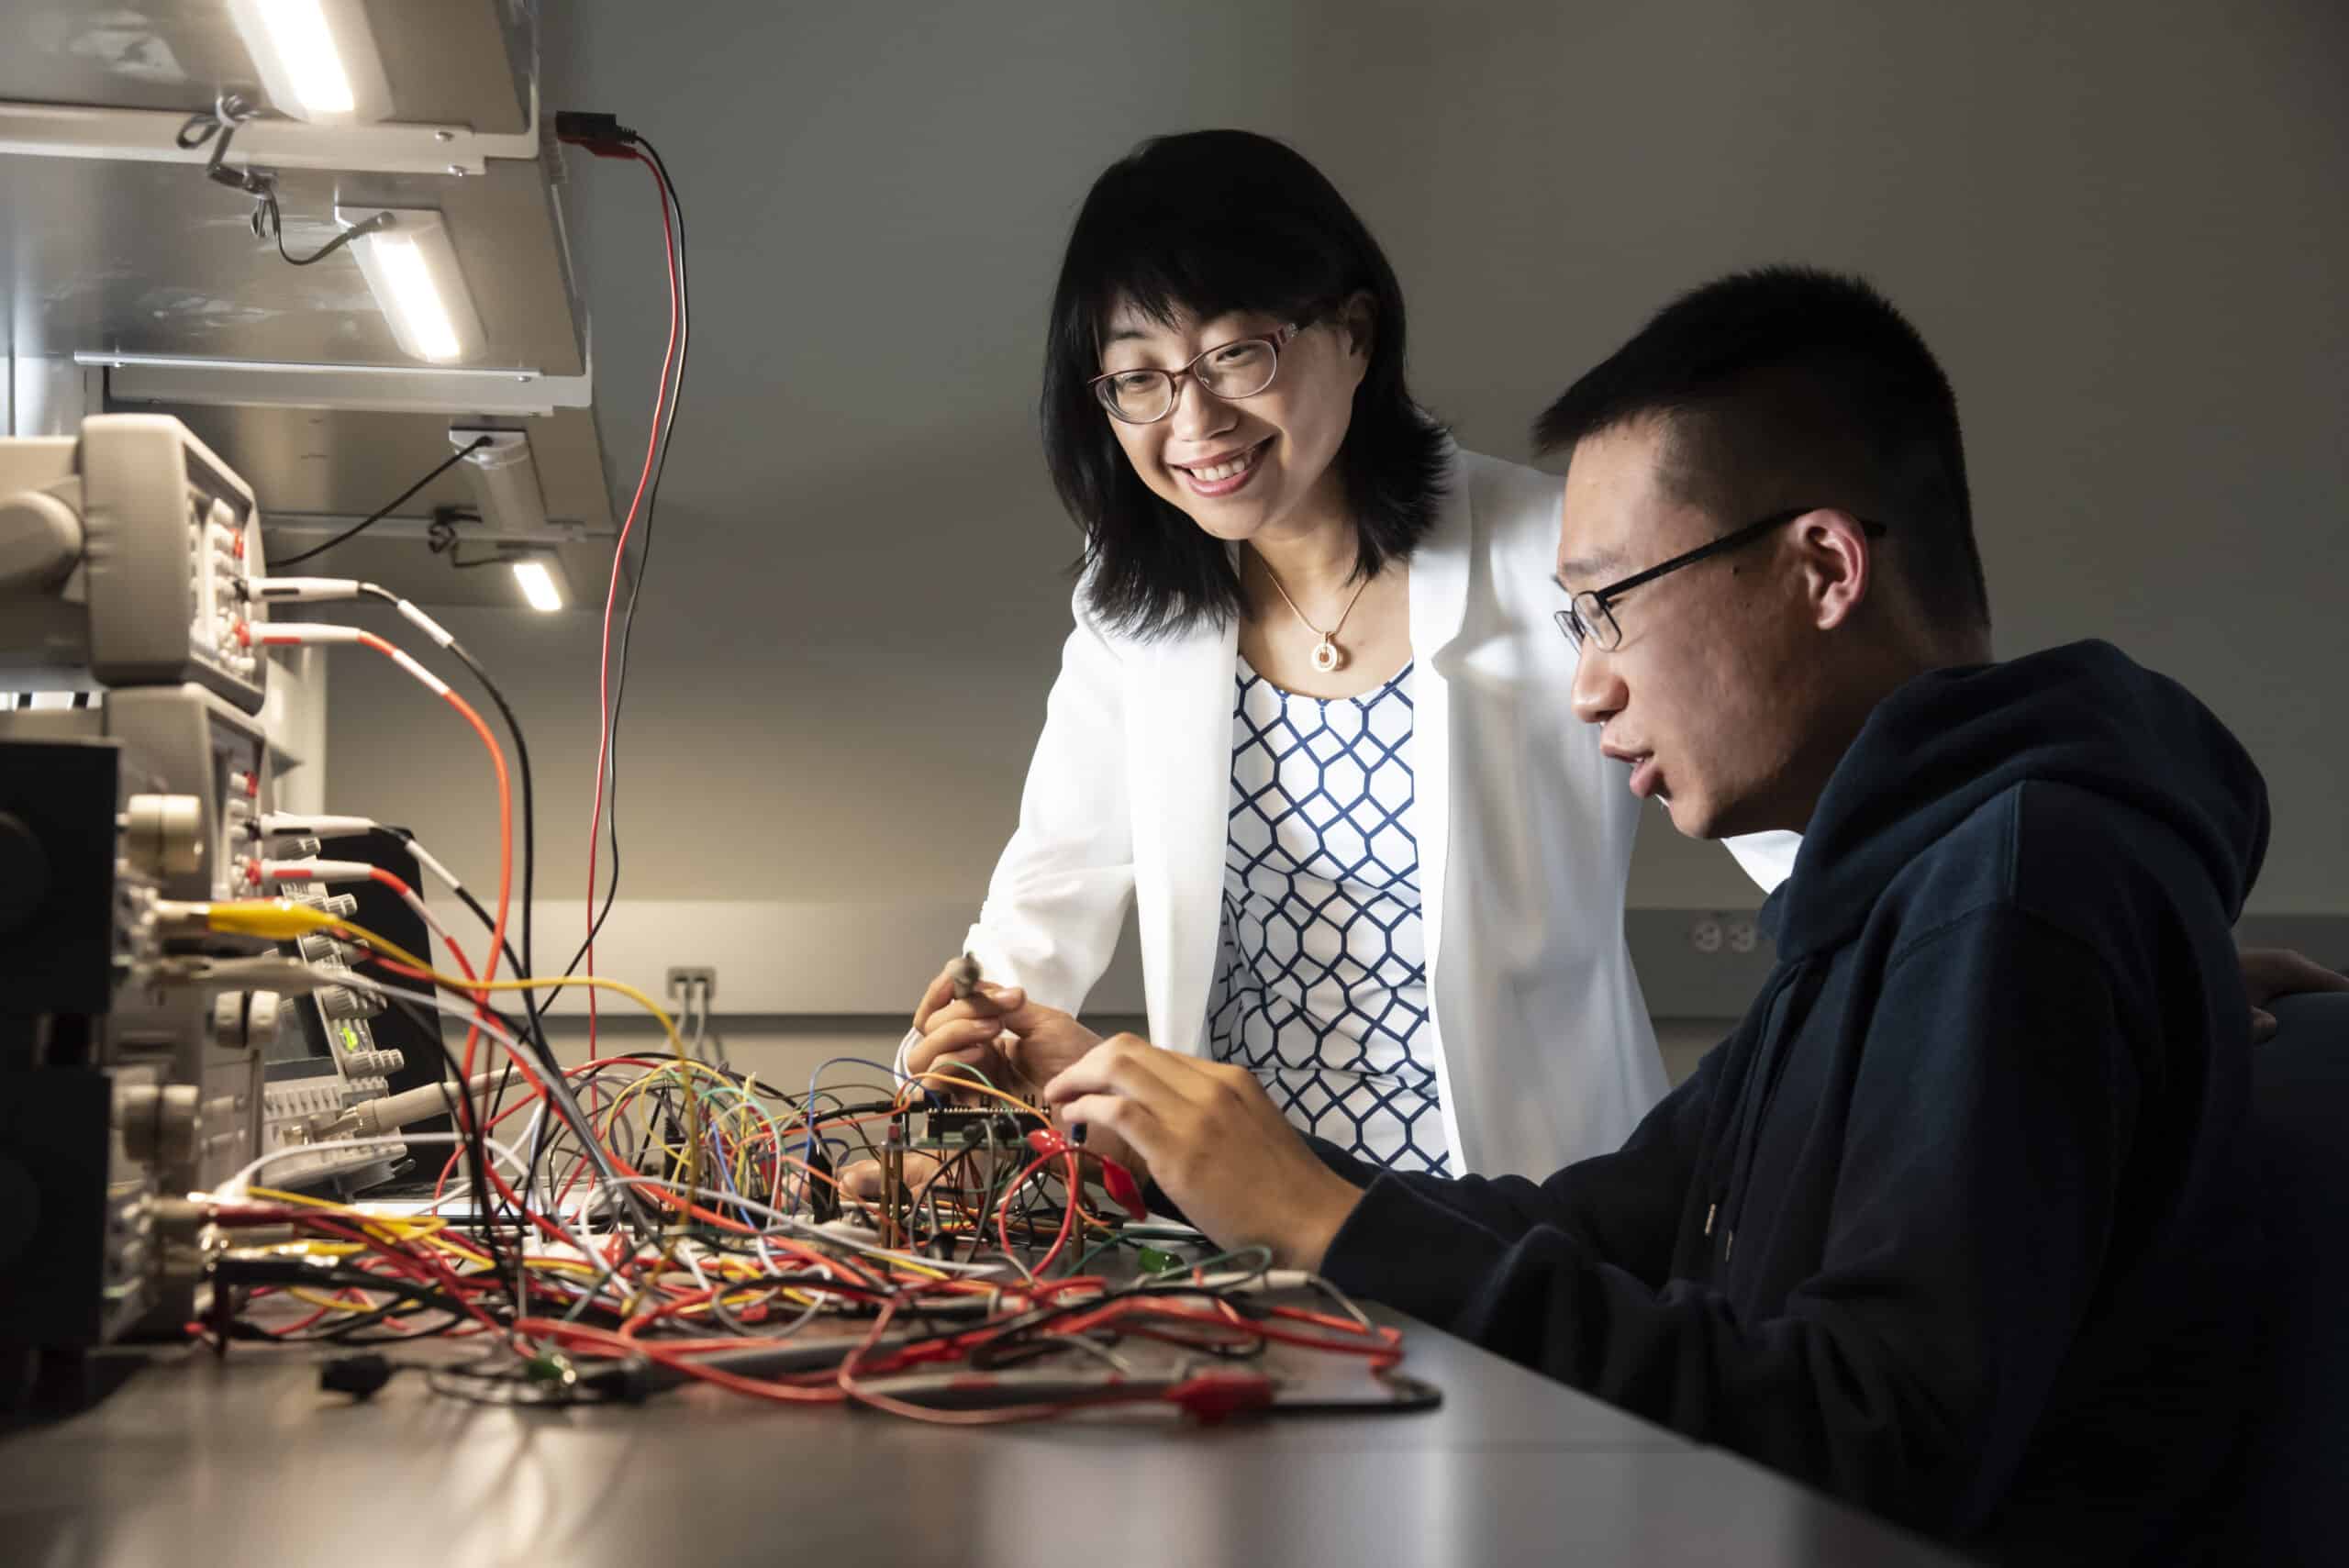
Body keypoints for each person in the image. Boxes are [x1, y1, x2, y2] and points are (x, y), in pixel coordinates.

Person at [957, 268, 2302, 1561]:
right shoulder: (1900, 886)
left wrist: (1322, 1220)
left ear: (1822, 569)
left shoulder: (2009, 900)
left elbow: (1873, 1438)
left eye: (1605, 609)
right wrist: (1176, 1166)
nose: (1588, 686)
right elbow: (1615, 1219)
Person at [899, 128, 1795, 1180]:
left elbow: (1798, 845)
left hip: (1528, 1216)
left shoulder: (1553, 551)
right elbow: (1044, 901)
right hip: (1235, 1218)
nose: (1194, 421)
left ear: (1356, 333)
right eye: (1137, 379)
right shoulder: (1130, 600)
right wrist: (948, 1091)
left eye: (1235, 354)